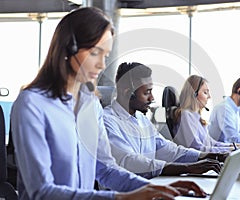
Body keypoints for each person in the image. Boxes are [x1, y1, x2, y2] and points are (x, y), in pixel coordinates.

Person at [10, 7, 207, 200]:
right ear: (70, 48)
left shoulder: (90, 104)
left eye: (105, 55)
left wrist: (154, 189)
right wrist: (121, 198)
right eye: (96, 52)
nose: (102, 65)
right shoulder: (32, 104)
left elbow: (105, 169)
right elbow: (41, 192)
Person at [103, 62, 227, 179]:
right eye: (147, 92)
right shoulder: (107, 121)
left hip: (151, 186)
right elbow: (131, 162)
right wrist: (188, 168)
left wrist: (209, 156)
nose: (152, 98)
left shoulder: (141, 119)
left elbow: (168, 149)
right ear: (127, 92)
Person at [172, 75, 240, 152]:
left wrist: (237, 146)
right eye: (205, 92)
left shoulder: (196, 117)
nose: (209, 96)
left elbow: (212, 143)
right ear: (194, 94)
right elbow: (197, 148)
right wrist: (231, 149)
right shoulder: (186, 115)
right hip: (198, 162)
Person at [208, 77, 240, 143]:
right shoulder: (225, 108)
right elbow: (233, 137)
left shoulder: (234, 108)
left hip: (229, 149)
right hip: (219, 151)